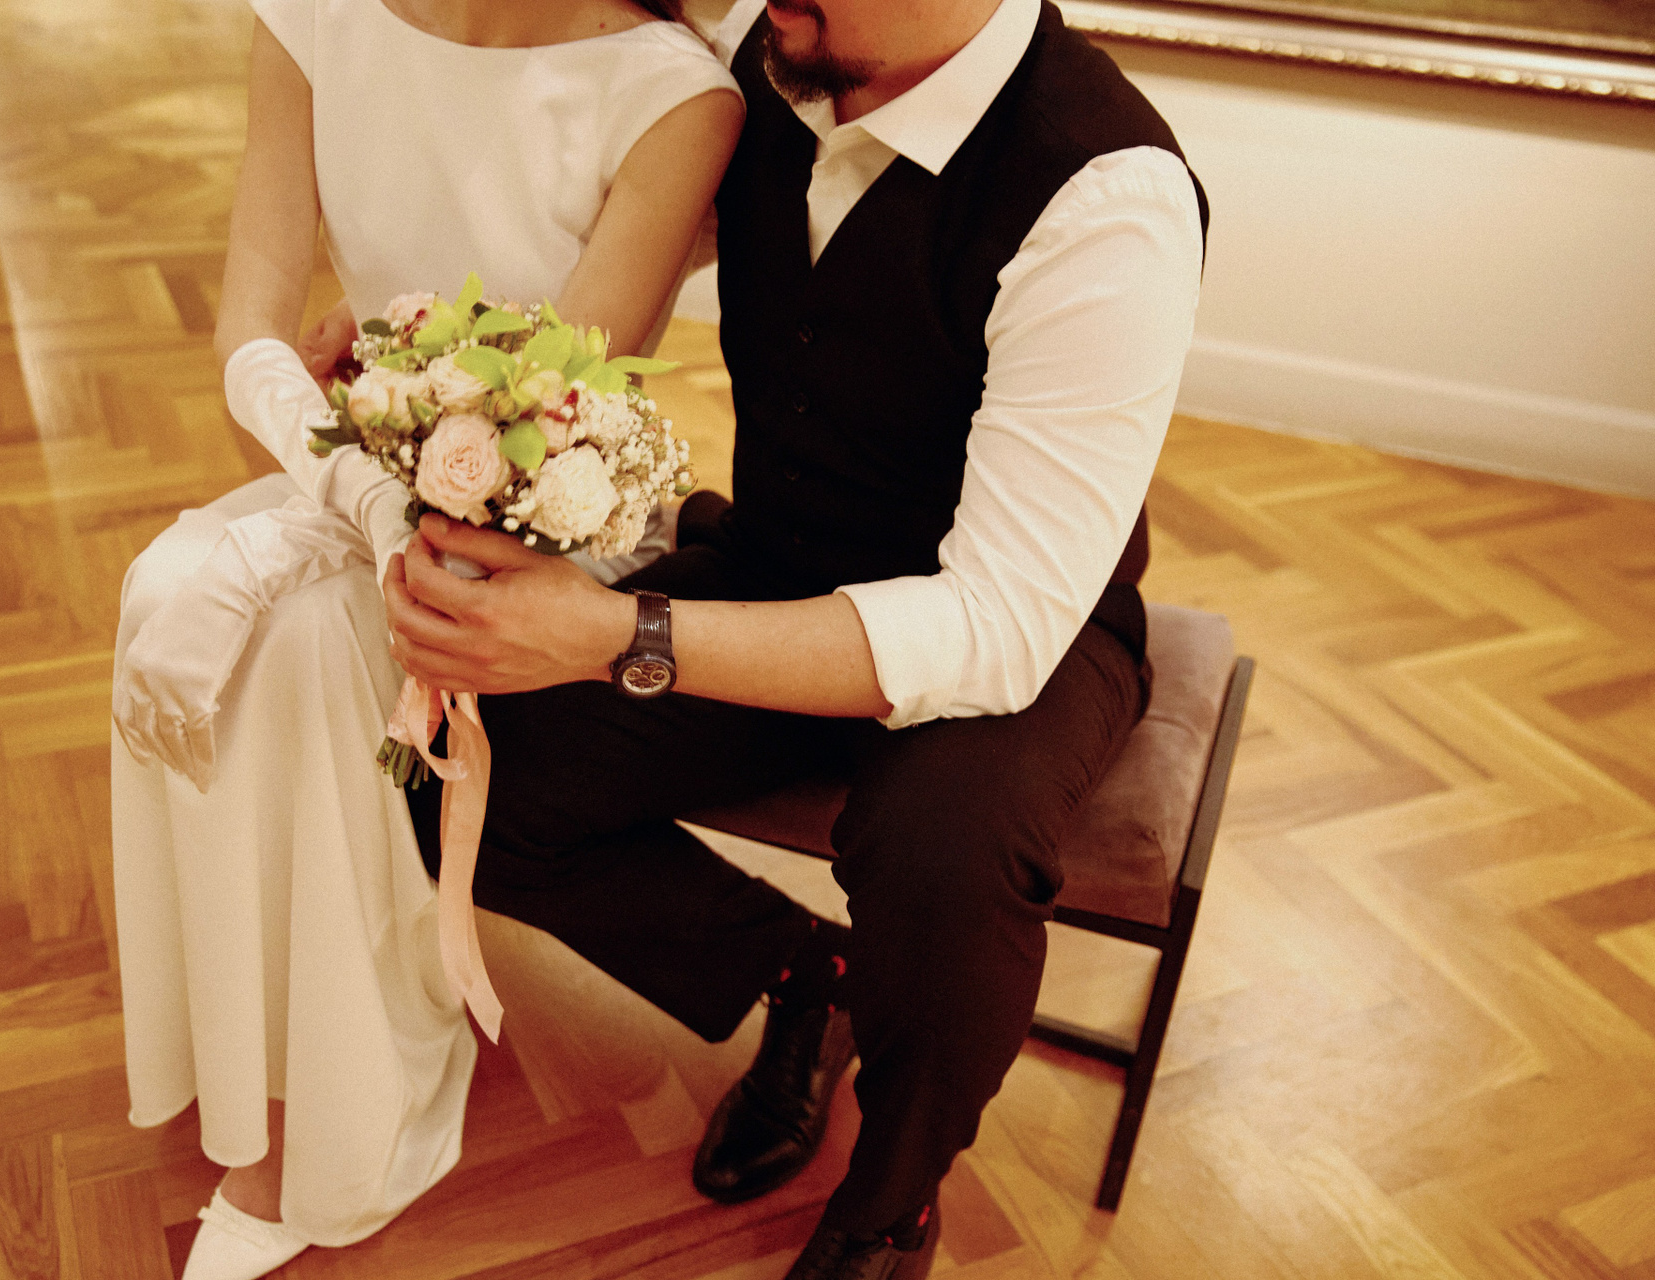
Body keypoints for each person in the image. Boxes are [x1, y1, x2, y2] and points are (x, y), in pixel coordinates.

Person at [379, 0, 1208, 1276]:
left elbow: (994, 623)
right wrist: (412, 358)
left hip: (1017, 631)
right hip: (782, 558)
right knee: (463, 775)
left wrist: (616, 632)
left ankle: (889, 1203)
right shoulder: (768, 64)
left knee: (942, 865)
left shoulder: (1109, 195)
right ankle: (801, 976)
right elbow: (598, 264)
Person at [106, 0, 742, 1275]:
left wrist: (405, 495)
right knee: (171, 586)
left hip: (540, 527)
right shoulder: (312, 18)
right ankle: (249, 1044)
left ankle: (344, 1116)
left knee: (296, 641)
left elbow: (558, 404)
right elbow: (249, 328)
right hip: (354, 473)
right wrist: (361, 491)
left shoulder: (676, 94)